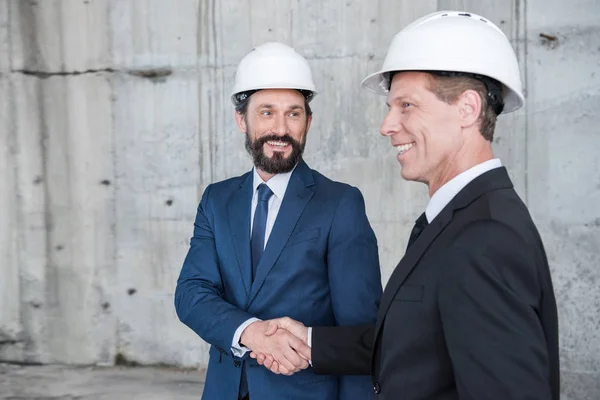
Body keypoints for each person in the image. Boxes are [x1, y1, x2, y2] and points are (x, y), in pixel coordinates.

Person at [252, 11, 560, 400]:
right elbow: (418, 341)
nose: (387, 125)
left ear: (467, 109)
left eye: (407, 106)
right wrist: (310, 341)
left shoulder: (487, 237)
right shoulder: (458, 218)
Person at [174, 42, 382, 400]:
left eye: (294, 114)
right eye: (267, 113)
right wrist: (250, 331)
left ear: (308, 121)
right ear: (242, 119)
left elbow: (360, 333)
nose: (281, 129)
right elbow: (191, 294)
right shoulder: (217, 200)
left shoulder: (340, 203)